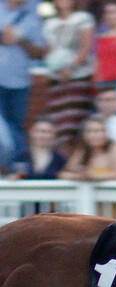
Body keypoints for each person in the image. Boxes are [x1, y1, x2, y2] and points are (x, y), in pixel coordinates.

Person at [41, 0, 96, 147]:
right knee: (58, 121)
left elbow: (85, 46)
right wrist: (56, 67)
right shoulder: (49, 23)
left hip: (78, 76)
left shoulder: (83, 18)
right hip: (56, 77)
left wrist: (70, 67)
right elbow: (49, 49)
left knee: (74, 122)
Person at [0, 0, 46, 172]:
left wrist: (20, 39)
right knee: (3, 131)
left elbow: (38, 52)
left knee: (17, 128)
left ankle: (16, 168)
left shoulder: (33, 16)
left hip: (20, 82)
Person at [58, 115, 116, 180]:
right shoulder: (82, 151)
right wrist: (77, 176)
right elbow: (64, 174)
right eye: (90, 131)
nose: (94, 135)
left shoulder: (114, 148)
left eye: (98, 131)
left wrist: (93, 176)